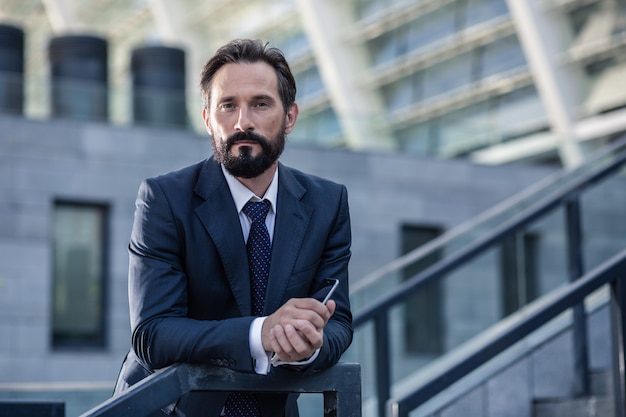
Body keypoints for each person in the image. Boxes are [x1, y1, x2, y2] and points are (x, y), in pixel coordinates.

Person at [113, 38, 353, 417]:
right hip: (169, 409)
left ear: (289, 117)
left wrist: (308, 344)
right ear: (208, 118)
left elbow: (338, 321)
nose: (243, 122)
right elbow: (152, 334)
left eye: (260, 103)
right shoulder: (164, 199)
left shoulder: (327, 204)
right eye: (228, 105)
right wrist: (262, 333)